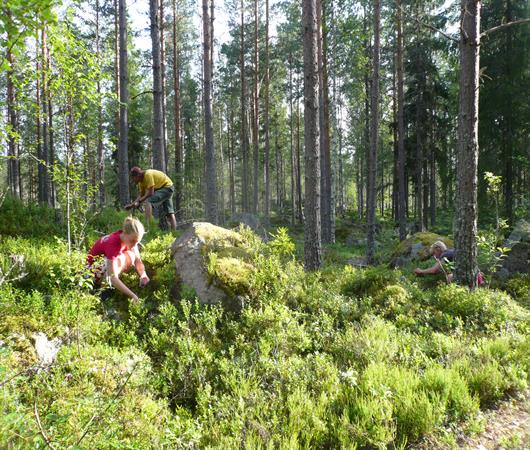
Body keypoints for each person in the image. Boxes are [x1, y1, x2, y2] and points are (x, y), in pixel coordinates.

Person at [87, 217, 150, 303]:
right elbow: (112, 277)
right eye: (132, 241)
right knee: (118, 260)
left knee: (131, 255)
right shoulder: (113, 243)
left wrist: (143, 275)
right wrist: (132, 295)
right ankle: (102, 292)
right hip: (89, 274)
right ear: (125, 233)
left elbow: (137, 261)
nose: (134, 244)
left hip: (104, 268)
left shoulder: (130, 240)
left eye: (137, 242)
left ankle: (113, 285)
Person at [126, 166, 177, 231]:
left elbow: (150, 193)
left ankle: (149, 227)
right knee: (169, 213)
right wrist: (132, 205)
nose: (133, 180)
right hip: (167, 187)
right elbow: (141, 195)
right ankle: (174, 233)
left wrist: (139, 201)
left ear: (138, 175)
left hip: (167, 187)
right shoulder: (141, 182)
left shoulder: (147, 175)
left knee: (149, 201)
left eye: (133, 178)